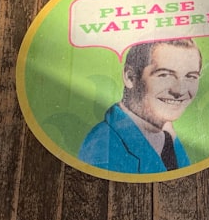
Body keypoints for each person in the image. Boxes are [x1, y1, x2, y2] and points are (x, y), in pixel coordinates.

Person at [79, 38, 202, 173]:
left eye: (191, 77)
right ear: (130, 77)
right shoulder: (103, 147)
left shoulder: (167, 136)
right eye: (165, 75)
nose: (179, 90)